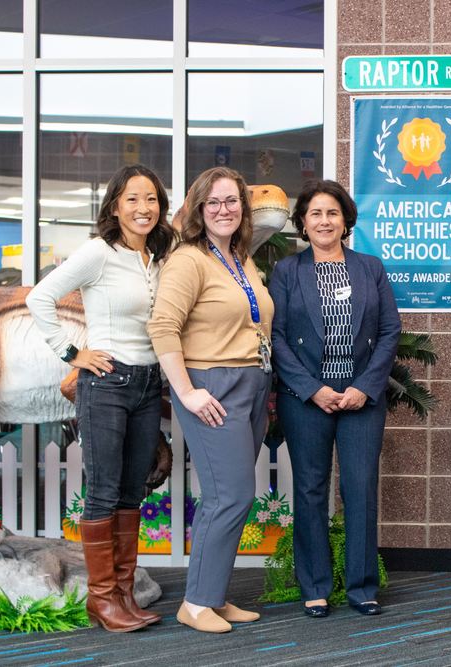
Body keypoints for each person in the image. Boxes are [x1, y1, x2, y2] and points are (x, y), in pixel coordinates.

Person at [27, 164, 173, 632]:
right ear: (115, 206)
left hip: (149, 384)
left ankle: (124, 594)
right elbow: (40, 298)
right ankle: (102, 598)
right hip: (107, 383)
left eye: (150, 199)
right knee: (105, 492)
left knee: (133, 490)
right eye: (132, 199)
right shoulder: (99, 252)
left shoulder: (157, 257)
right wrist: (73, 352)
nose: (142, 208)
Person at [148, 166, 273, 633]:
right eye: (213, 202)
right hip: (211, 385)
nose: (224, 210)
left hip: (252, 381)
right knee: (231, 495)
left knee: (229, 498)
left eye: (232, 201)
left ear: (243, 207)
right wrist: (186, 391)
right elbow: (162, 327)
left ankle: (214, 595)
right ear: (199, 210)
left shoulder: (238, 256)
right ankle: (196, 603)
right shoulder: (188, 259)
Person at [271, 179, 401, 618]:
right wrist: (314, 389)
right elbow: (277, 338)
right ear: (303, 224)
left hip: (361, 397)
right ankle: (315, 586)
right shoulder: (288, 272)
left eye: (332, 213)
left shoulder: (370, 268)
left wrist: (364, 387)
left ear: (345, 220)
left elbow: (388, 331)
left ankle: (362, 587)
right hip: (306, 397)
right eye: (315, 214)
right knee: (309, 489)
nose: (324, 221)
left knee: (360, 488)